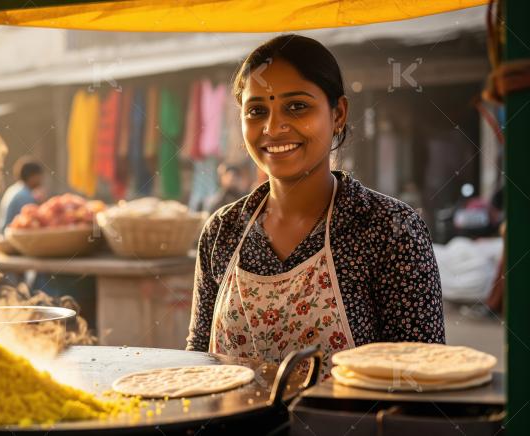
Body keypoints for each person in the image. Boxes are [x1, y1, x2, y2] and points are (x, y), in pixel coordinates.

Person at [186, 35, 444, 376]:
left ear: (338, 113)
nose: (273, 127)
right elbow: (199, 360)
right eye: (257, 110)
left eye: (297, 106)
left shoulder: (390, 228)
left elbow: (422, 377)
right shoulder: (222, 230)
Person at [0, 157, 44, 234]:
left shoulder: (14, 189)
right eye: (39, 176)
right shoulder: (24, 196)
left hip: (3, 233)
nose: (41, 179)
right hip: (11, 238)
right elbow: (29, 223)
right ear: (32, 176)